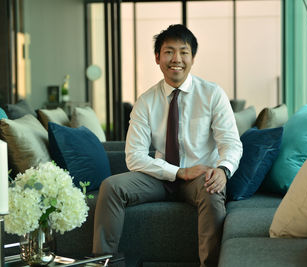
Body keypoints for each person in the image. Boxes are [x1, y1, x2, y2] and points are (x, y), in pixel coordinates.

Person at [93, 24, 242, 267]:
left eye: (183, 52)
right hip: (160, 176)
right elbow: (134, 157)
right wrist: (178, 172)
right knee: (111, 187)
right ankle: (103, 263)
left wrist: (223, 170)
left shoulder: (212, 94)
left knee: (212, 190)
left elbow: (231, 143)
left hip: (199, 177)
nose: (176, 59)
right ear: (157, 58)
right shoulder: (146, 101)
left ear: (193, 58)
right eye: (169, 52)